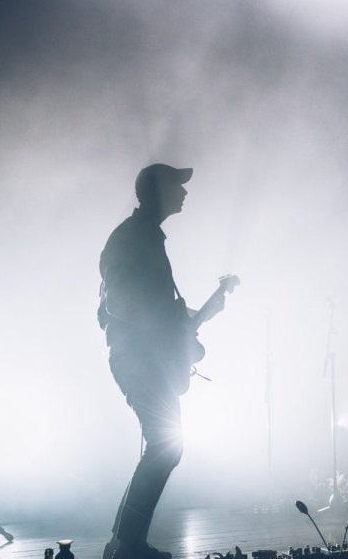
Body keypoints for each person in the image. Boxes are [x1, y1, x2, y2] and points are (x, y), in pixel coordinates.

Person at [98, 164, 234, 559]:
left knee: (162, 447)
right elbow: (119, 303)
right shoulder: (132, 238)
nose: (185, 193)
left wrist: (200, 314)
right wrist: (167, 330)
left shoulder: (144, 237)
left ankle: (122, 543)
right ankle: (128, 546)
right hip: (137, 358)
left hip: (143, 357)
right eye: (177, 186)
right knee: (165, 447)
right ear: (158, 192)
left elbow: (158, 310)